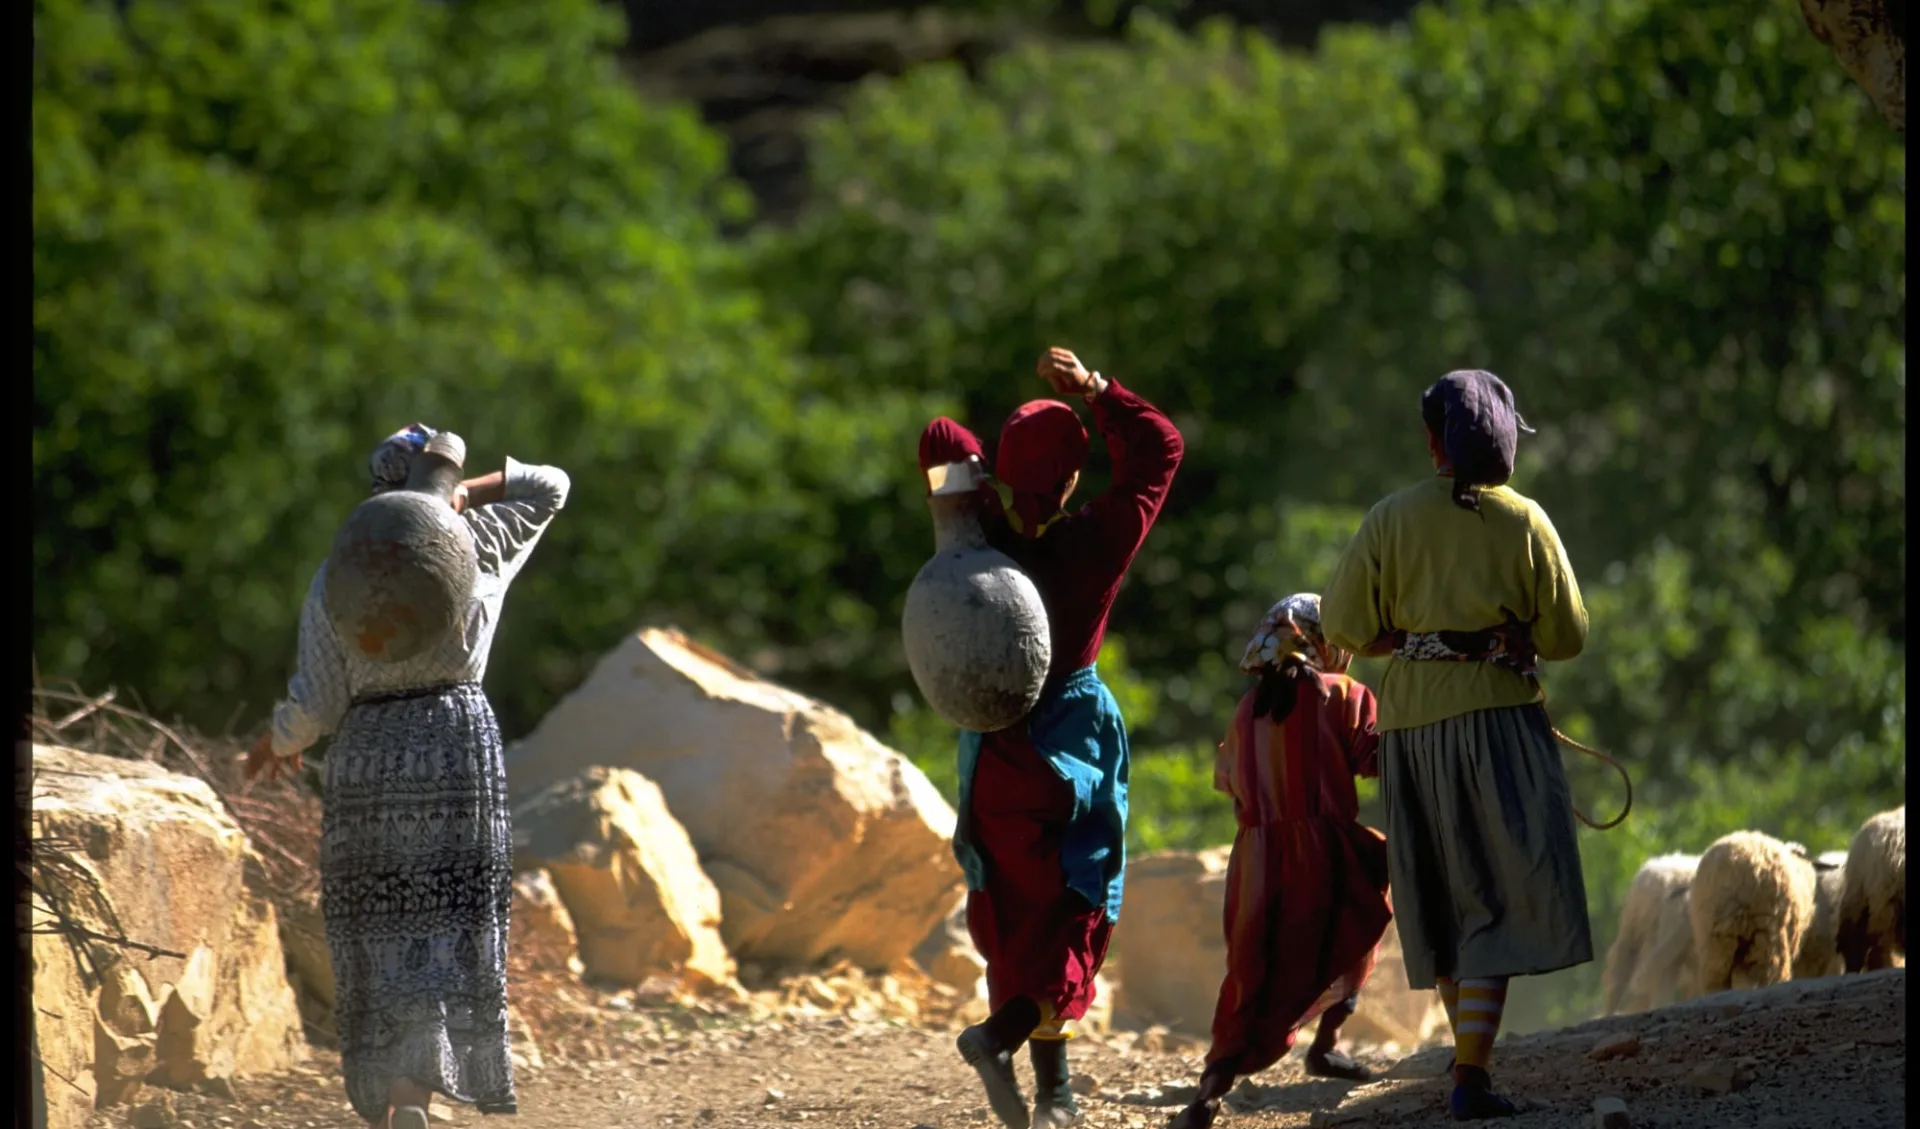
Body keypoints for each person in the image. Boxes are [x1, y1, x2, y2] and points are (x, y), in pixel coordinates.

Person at [244, 423, 570, 1129]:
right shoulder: (479, 540)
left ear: (376, 487)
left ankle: (395, 1093)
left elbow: (318, 701)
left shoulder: (341, 569)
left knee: (380, 921)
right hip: (456, 741)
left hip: (367, 755)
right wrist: (458, 494)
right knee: (445, 917)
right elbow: (553, 484)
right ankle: (419, 1093)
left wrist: (278, 740)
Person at [916, 347, 1183, 1129]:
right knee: (1075, 907)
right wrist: (1097, 388)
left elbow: (939, 435)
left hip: (994, 747)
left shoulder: (975, 528)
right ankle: (1003, 1044)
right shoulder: (1100, 540)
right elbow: (1162, 446)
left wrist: (976, 478)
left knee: (1018, 906)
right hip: (1072, 748)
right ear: (1072, 479)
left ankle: (1055, 1091)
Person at [1320, 370, 1590, 1121]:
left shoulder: (1389, 519)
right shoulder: (1527, 520)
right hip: (1503, 722)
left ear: (1434, 441)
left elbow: (1341, 623)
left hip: (1410, 726)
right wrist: (1512, 639)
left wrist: (1407, 639)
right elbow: (1568, 636)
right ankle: (1470, 1073)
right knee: (1494, 894)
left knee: (1440, 893)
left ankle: (1467, 1067)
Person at [1166, 594, 1393, 1129]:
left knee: (1252, 973)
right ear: (1324, 641)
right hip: (1323, 851)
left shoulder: (1247, 709)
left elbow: (1229, 781)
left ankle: (1208, 1095)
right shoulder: (1344, 694)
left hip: (1257, 862)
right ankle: (1327, 1042)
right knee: (1357, 920)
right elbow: (1376, 760)